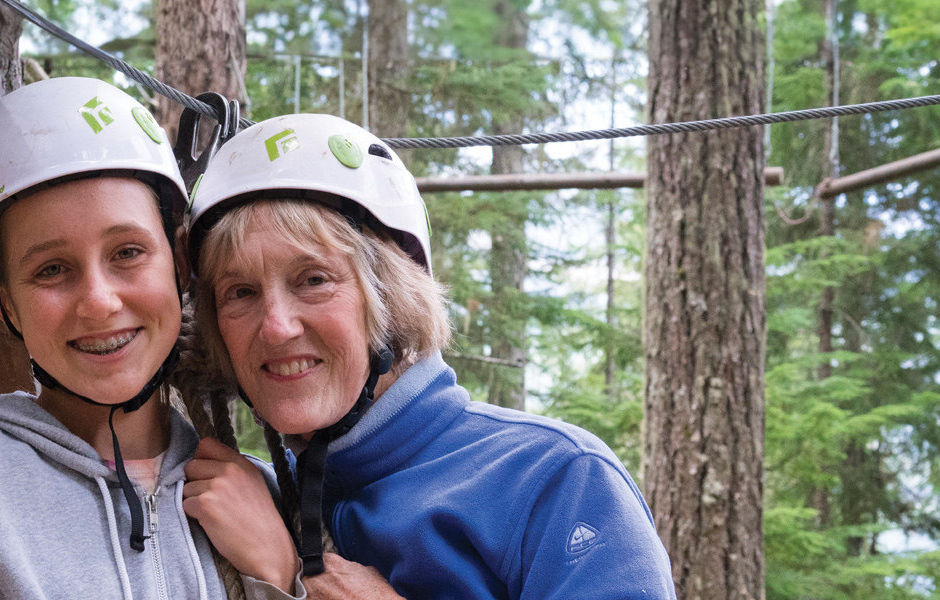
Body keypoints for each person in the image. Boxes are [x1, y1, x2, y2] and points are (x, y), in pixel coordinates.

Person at [184, 113, 677, 599]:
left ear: (393, 294)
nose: (275, 326)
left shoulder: (554, 481)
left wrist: (288, 570)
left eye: (313, 280)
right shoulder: (249, 498)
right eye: (240, 292)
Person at [0, 77, 299, 600]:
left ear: (179, 260)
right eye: (52, 269)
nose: (99, 301)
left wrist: (280, 574)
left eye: (127, 251)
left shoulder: (262, 497)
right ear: (2, 300)